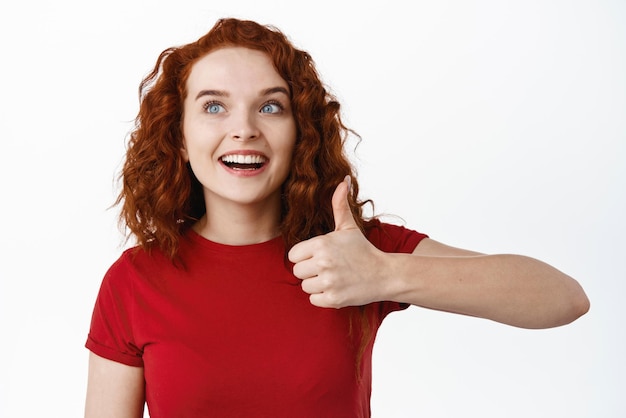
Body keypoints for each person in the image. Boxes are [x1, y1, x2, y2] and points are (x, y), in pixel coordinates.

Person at [84, 17, 589, 418]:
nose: (243, 129)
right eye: (214, 107)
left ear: (301, 131)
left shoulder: (355, 253)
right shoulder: (134, 283)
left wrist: (385, 273)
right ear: (178, 134)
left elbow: (563, 298)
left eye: (271, 108)